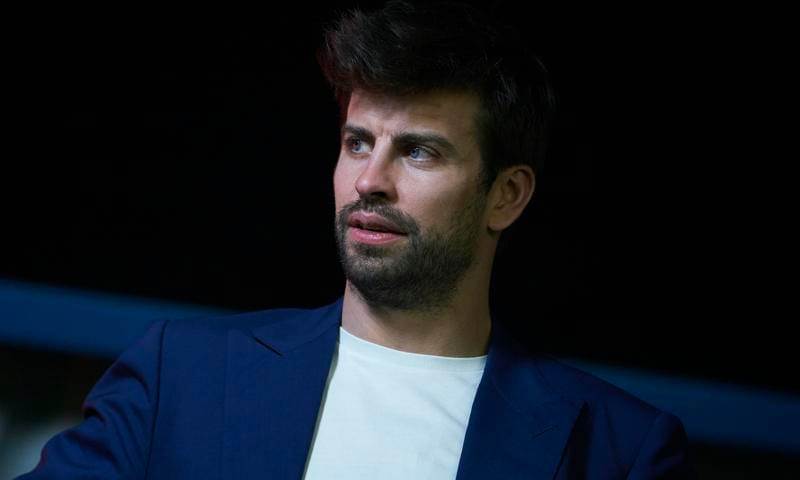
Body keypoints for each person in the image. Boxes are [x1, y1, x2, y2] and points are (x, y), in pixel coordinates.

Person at [18, 1, 694, 478]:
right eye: (357, 142)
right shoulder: (183, 375)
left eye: (419, 152)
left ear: (506, 195)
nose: (370, 180)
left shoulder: (619, 450)